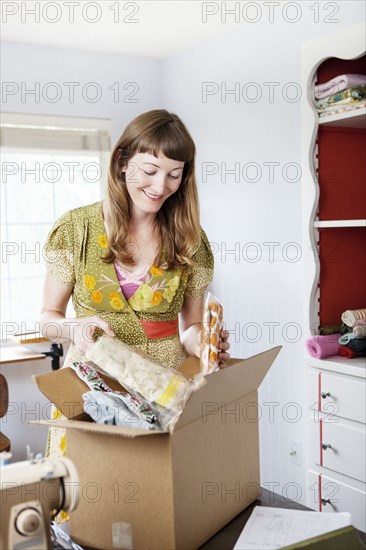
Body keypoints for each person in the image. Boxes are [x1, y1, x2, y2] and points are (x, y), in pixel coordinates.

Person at [40, 110, 230, 514]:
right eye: (149, 169)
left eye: (174, 174)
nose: (161, 186)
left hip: (163, 387)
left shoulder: (190, 239)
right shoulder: (76, 230)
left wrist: (206, 343)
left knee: (157, 507)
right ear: (122, 161)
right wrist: (74, 327)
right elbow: (47, 320)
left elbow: (190, 327)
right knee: (88, 504)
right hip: (89, 385)